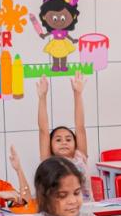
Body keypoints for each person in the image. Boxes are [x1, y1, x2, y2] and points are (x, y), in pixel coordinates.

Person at [36, 73, 95, 201]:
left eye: (68, 139)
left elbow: (80, 127)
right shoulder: (49, 161)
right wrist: (42, 97)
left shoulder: (80, 156)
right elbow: (43, 131)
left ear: (75, 143)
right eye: (58, 140)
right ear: (50, 145)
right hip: (58, 210)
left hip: (85, 209)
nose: (64, 142)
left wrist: (77, 94)